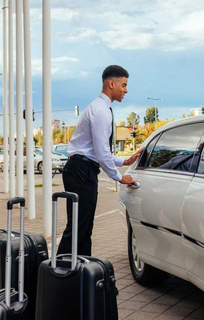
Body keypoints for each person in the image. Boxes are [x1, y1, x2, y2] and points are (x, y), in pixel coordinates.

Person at [57, 65, 142, 256]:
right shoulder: (101, 111)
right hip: (81, 170)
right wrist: (119, 177)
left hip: (81, 167)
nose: (126, 90)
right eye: (124, 85)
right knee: (79, 227)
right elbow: (102, 152)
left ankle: (78, 269)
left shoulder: (99, 108)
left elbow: (96, 150)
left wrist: (124, 161)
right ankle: (62, 272)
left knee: (82, 226)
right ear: (111, 84)